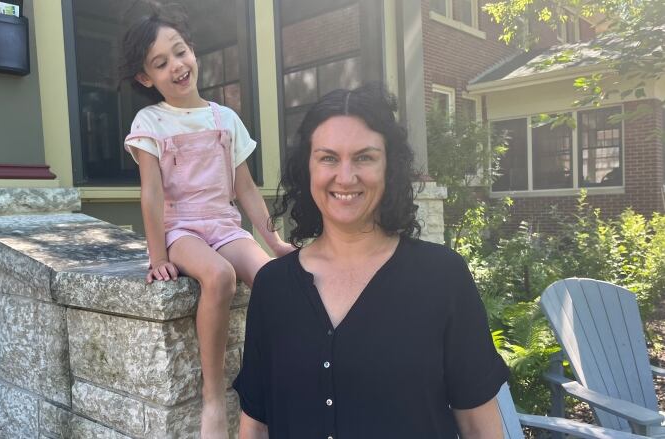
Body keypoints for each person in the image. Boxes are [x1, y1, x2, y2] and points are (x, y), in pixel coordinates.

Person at [234, 83, 510, 438]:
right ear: (308, 168)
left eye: (364, 157)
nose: (345, 177)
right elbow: (254, 424)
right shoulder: (273, 287)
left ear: (388, 167)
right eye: (328, 157)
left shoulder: (442, 278)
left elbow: (478, 426)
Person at [119, 4, 293, 438]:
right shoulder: (150, 122)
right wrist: (157, 255)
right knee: (217, 277)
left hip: (224, 225)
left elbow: (246, 190)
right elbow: (153, 193)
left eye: (179, 53)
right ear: (146, 78)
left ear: (192, 50)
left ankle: (280, 382)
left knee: (276, 281)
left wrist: (274, 244)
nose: (176, 66)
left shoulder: (225, 119)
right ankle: (213, 398)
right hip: (181, 231)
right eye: (161, 63)